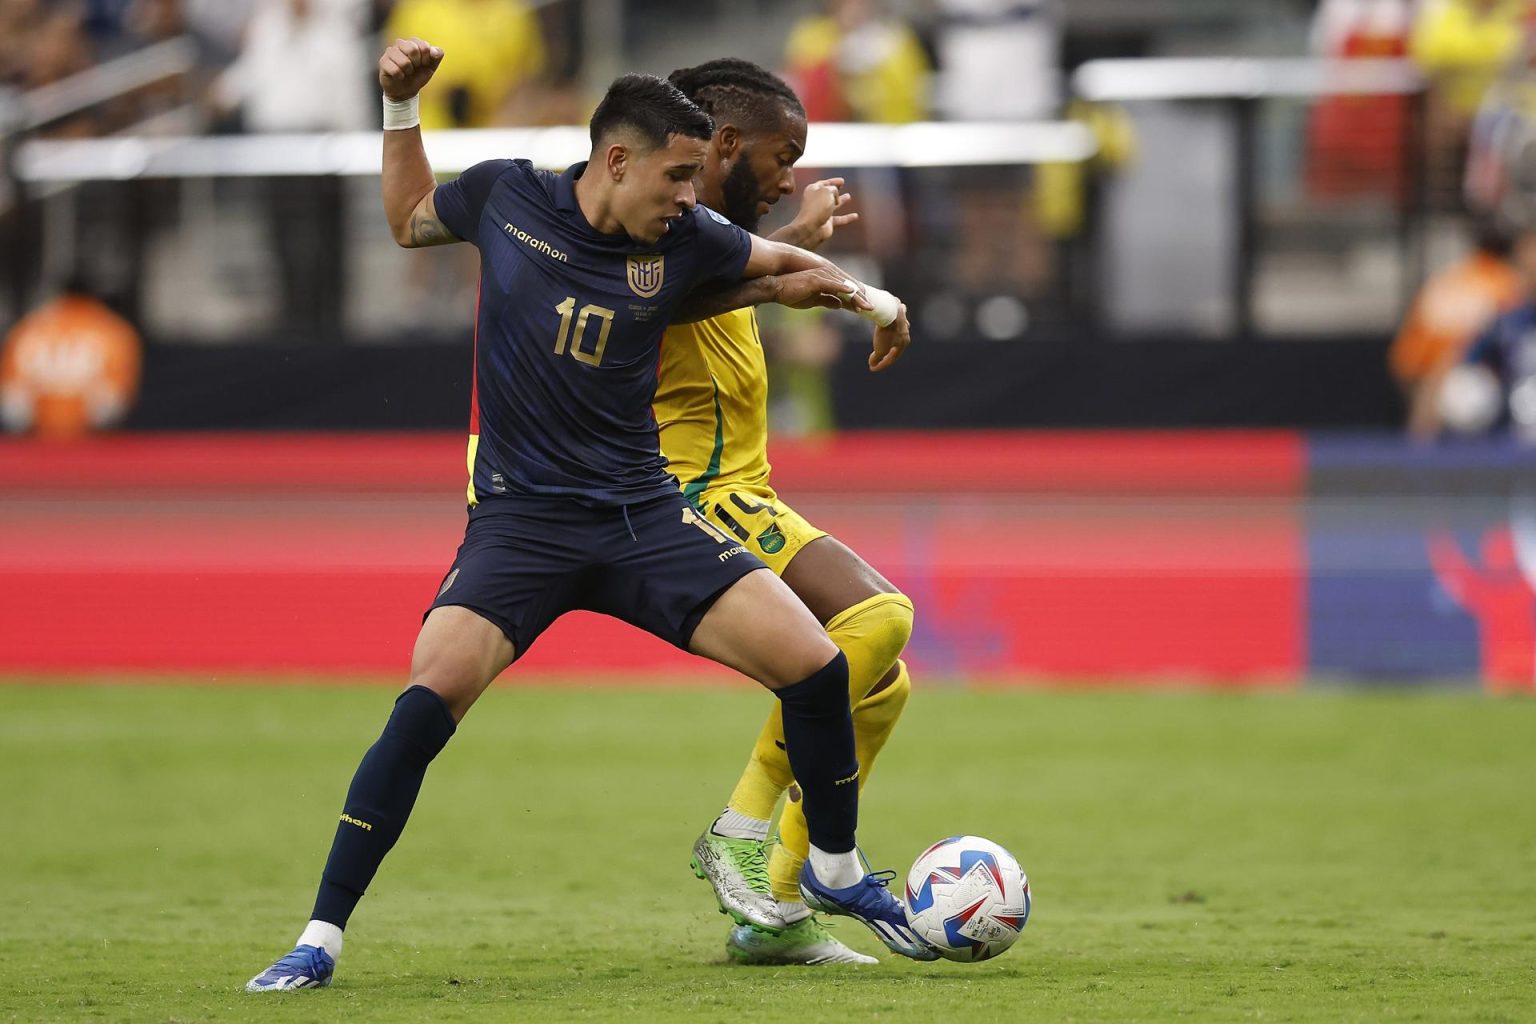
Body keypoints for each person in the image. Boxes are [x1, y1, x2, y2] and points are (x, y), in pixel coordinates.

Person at [244, 37, 932, 993]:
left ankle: (832, 870)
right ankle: (319, 937)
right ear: (618, 160)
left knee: (819, 666)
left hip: (642, 516)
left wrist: (871, 298)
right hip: (522, 526)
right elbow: (406, 218)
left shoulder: (686, 237)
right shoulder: (505, 197)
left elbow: (775, 263)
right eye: (679, 175)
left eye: (700, 177)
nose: (692, 196)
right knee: (422, 708)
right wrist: (400, 108)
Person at [655, 58, 916, 967]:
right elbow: (667, 293)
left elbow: (738, 283)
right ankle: (743, 832)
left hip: (747, 490)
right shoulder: (656, 230)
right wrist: (840, 285)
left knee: (879, 686)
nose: (788, 177)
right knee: (878, 617)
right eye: (781, 156)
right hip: (693, 495)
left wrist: (839, 279)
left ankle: (769, 915)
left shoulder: (713, 239)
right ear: (722, 144)